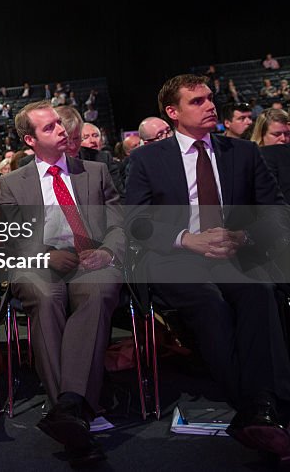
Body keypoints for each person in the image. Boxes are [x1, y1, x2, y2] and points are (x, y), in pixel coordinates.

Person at [125, 74, 290, 460]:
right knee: (208, 303)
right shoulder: (148, 159)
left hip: (228, 252)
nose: (210, 106)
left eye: (210, 99)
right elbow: (135, 220)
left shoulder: (243, 153)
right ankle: (257, 407)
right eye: (197, 101)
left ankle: (257, 410)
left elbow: (274, 211)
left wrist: (244, 238)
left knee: (258, 293)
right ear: (173, 112)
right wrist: (185, 238)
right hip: (173, 256)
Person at [0, 101, 124, 466]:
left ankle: (68, 410)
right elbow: (8, 240)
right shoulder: (11, 183)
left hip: (91, 260)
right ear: (29, 140)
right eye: (50, 127)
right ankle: (74, 411)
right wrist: (44, 256)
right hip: (39, 265)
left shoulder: (95, 172)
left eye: (60, 123)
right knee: (45, 294)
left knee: (97, 290)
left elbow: (119, 225)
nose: (62, 130)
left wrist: (107, 253)